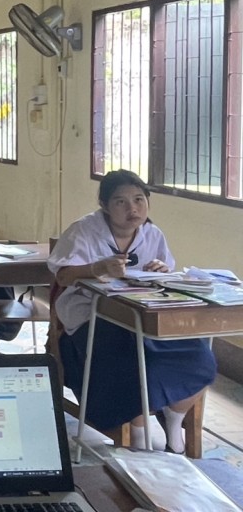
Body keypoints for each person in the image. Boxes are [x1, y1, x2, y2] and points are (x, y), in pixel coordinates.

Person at [48, 169, 216, 453]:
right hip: (91, 313)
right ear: (104, 205)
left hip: (145, 313)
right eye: (121, 202)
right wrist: (97, 268)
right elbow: (62, 276)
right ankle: (137, 431)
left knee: (198, 354)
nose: (132, 209)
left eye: (139, 199)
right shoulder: (83, 231)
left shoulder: (152, 234)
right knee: (129, 357)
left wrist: (162, 271)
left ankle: (174, 419)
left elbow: (166, 275)